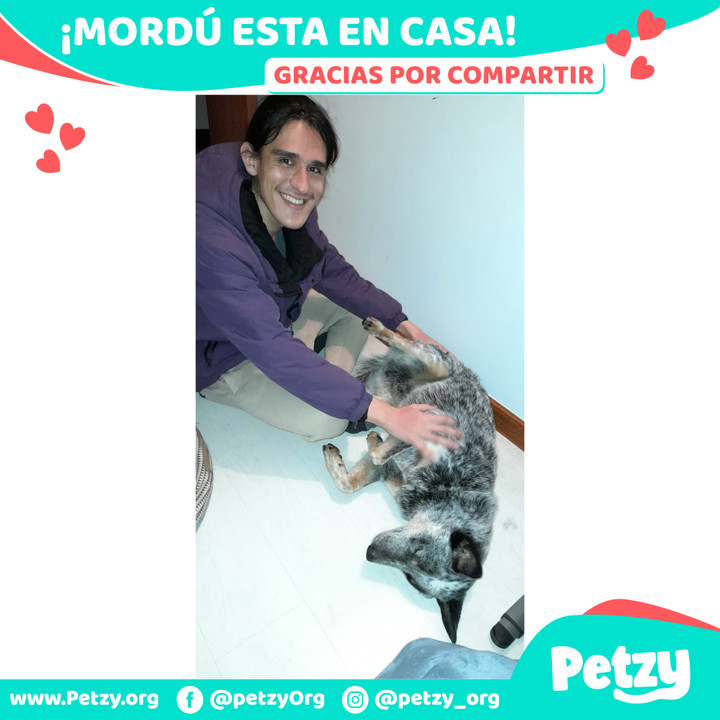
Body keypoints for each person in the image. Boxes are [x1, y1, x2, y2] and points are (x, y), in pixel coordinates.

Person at [196, 95, 462, 460]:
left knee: (358, 313)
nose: (302, 185)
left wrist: (408, 328)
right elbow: (269, 345)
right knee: (329, 419)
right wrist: (388, 416)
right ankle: (322, 385)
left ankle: (321, 380)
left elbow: (331, 269)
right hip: (221, 354)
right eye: (285, 160)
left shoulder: (286, 203)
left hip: (271, 321)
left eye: (315, 168)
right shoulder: (212, 240)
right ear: (252, 159)